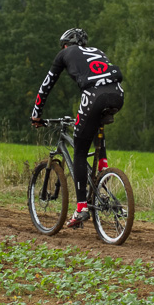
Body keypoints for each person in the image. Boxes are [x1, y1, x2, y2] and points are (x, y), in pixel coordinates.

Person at [31, 28, 124, 228]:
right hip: (118, 93)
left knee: (80, 152)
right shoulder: (97, 51)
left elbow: (46, 85)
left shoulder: (64, 53)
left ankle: (81, 207)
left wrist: (37, 113)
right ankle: (103, 165)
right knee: (96, 122)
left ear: (65, 45)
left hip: (94, 96)